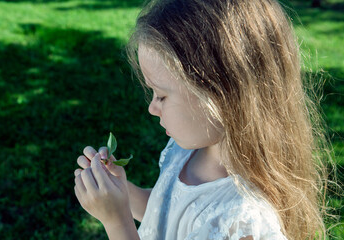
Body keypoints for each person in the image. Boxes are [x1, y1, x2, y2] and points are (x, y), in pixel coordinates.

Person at [73, 0, 331, 239]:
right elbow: (166, 210)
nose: (152, 107)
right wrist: (121, 192)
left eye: (161, 95)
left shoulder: (243, 220)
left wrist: (117, 223)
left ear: (220, 97)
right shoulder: (186, 152)